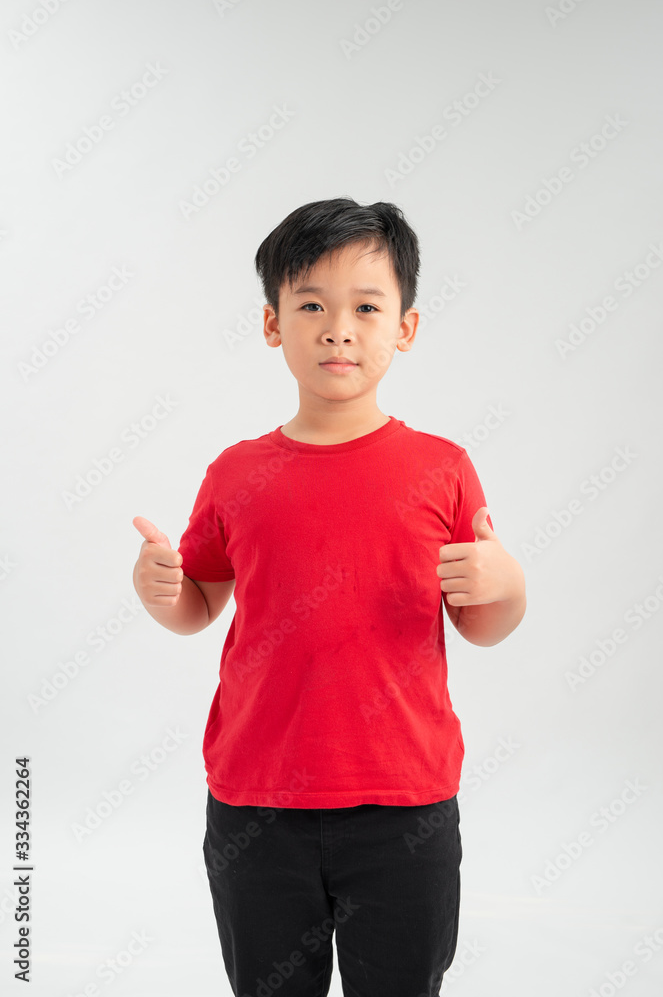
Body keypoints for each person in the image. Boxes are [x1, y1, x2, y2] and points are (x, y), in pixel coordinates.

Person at [132, 197, 526, 997]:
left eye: (365, 307)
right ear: (273, 323)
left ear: (404, 329)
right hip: (256, 806)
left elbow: (483, 625)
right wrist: (159, 590)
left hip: (404, 806)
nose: (336, 328)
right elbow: (199, 604)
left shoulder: (440, 467)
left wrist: (505, 583)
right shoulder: (237, 473)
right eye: (310, 304)